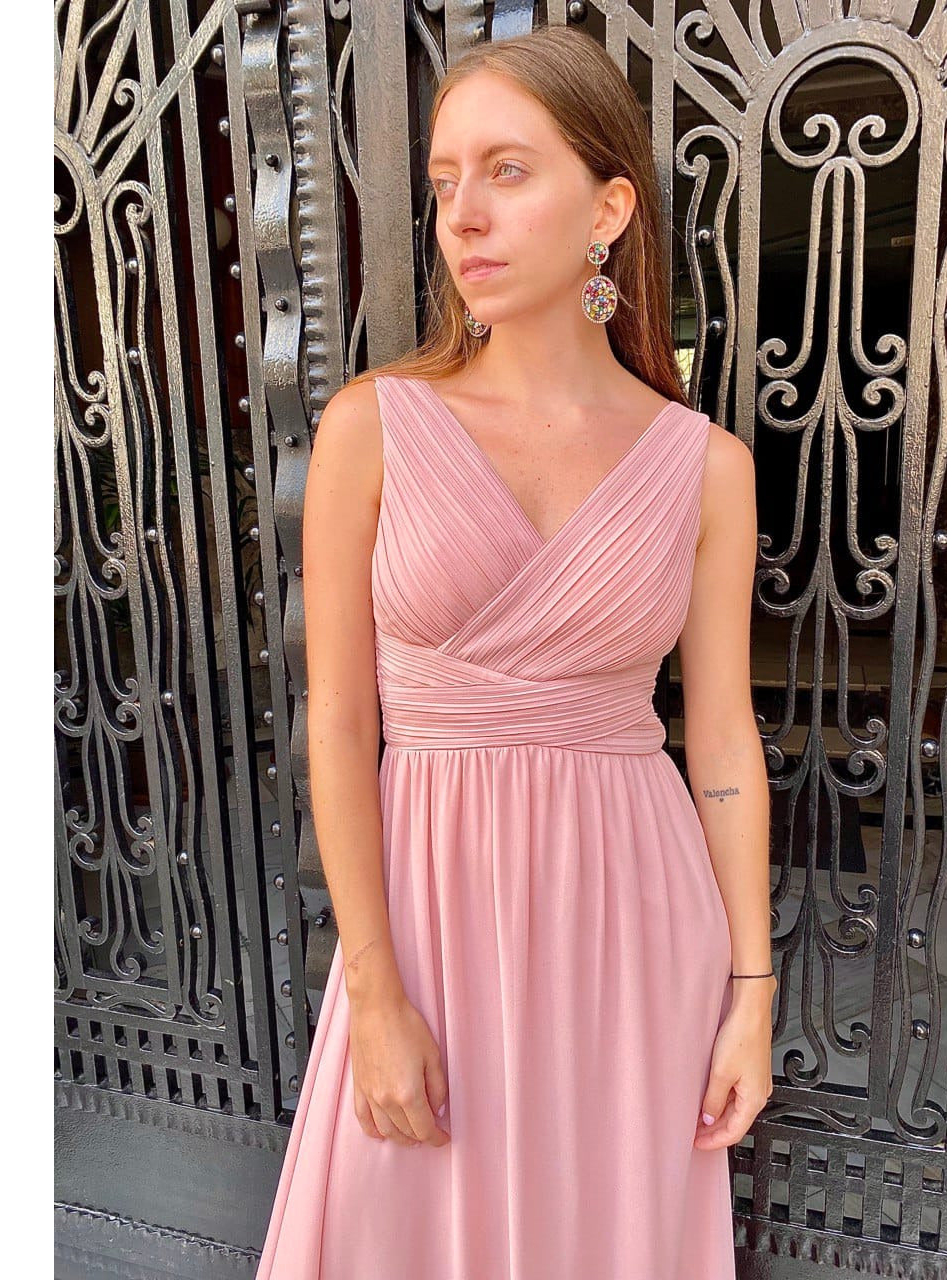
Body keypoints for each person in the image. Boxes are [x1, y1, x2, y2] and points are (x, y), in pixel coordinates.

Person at [255, 23, 774, 1279]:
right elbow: (340, 721)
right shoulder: (372, 427)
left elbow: (718, 740)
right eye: (444, 181)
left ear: (607, 208)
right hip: (425, 924)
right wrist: (371, 990)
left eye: (506, 171)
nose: (463, 215)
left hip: (632, 934)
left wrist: (750, 990)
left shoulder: (704, 467)